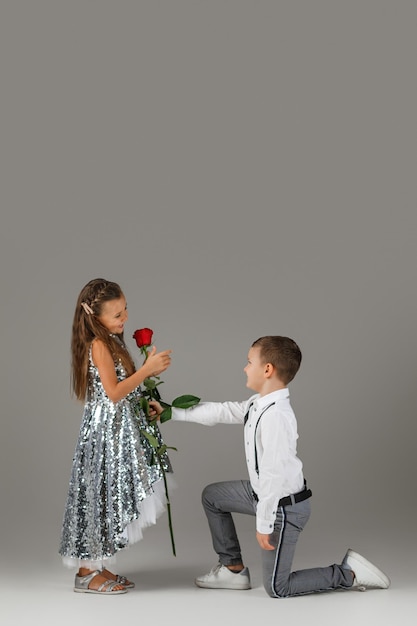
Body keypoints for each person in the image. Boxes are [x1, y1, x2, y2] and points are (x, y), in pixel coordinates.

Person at [149, 336, 390, 598]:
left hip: (283, 508)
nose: (244, 367)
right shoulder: (259, 403)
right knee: (213, 496)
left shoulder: (277, 415)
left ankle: (349, 573)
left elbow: (274, 474)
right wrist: (171, 412)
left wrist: (264, 523)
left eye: (249, 361)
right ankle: (233, 570)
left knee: (277, 587)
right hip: (261, 494)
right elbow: (224, 411)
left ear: (267, 369)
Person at [59, 278, 172, 594]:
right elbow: (112, 392)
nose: (124, 319)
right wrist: (147, 369)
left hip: (119, 429)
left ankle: (97, 564)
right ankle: (85, 572)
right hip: (106, 433)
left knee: (110, 495)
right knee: (100, 496)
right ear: (95, 317)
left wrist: (145, 398)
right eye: (116, 315)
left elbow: (126, 390)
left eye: (125, 311)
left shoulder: (111, 341)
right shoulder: (98, 345)